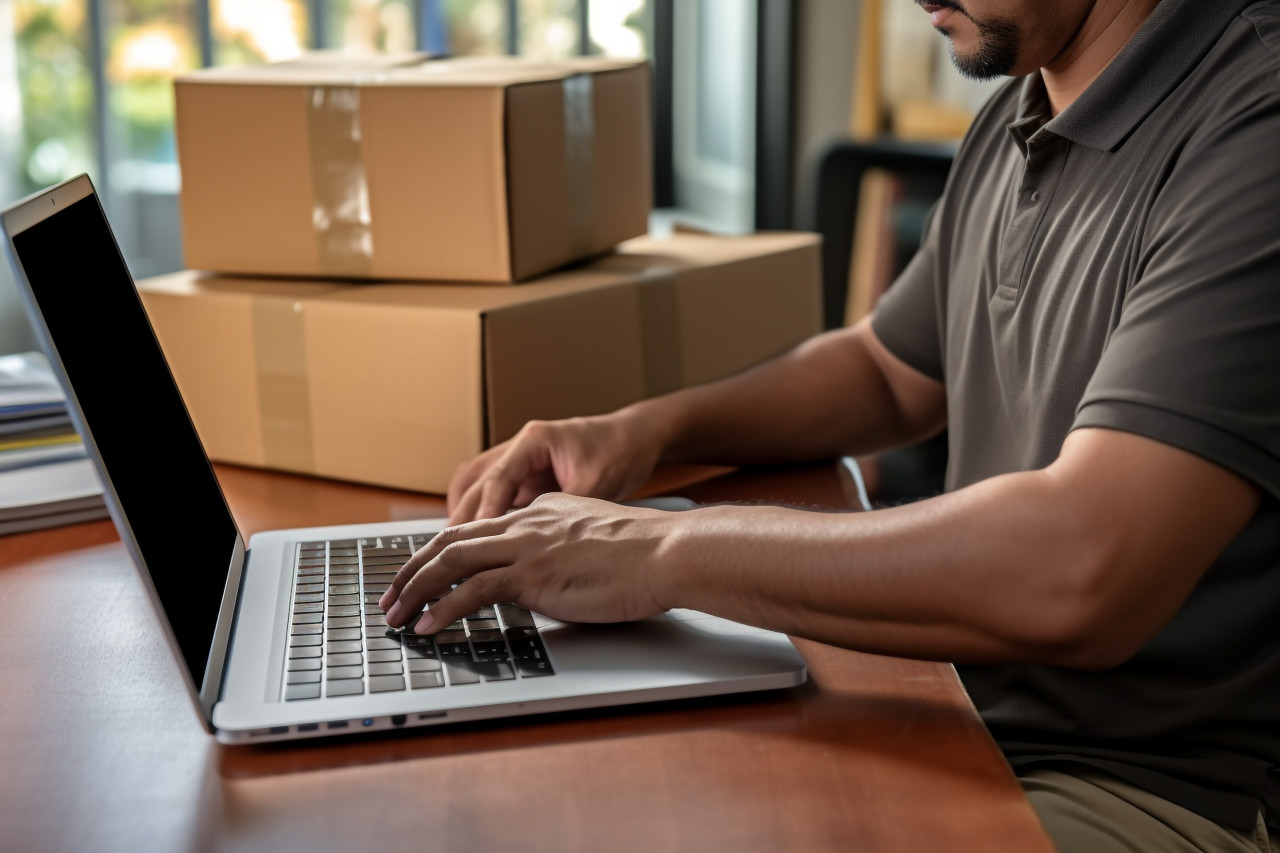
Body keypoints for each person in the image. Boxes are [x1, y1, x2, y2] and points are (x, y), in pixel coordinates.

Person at [379, 0, 1280, 849]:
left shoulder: (1255, 120)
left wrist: (656, 553)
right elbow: (891, 369)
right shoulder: (1025, 102)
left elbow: (1087, 573)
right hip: (957, 701)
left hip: (1147, 786)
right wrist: (641, 431)